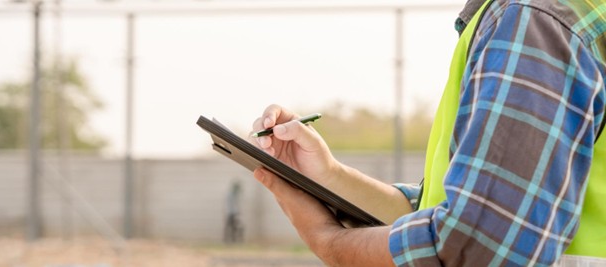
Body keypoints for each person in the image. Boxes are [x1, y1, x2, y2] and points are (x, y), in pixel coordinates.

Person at [249, 0, 606, 266]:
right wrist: (331, 176)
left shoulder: (531, 18)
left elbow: (480, 247)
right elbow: (446, 212)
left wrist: (330, 242)